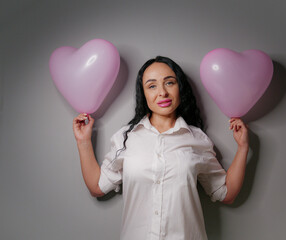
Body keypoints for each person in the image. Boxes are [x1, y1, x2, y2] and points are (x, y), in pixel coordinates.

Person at [72, 56, 249, 240]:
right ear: (144, 93)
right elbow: (97, 187)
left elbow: (226, 193)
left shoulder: (197, 139)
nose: (162, 92)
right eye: (152, 86)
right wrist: (83, 142)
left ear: (180, 87)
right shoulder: (126, 138)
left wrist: (243, 147)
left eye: (169, 83)